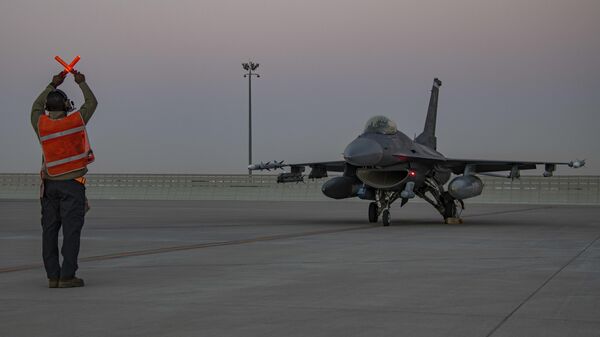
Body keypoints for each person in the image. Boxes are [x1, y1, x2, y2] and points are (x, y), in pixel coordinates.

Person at [31, 71, 97, 288]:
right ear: (68, 106)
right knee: (71, 231)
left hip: (49, 186)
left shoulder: (41, 124)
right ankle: (67, 276)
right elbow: (92, 102)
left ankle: (53, 276)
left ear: (48, 108)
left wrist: (52, 84)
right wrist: (81, 82)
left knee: (49, 230)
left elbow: (35, 107)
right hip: (72, 186)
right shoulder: (75, 122)